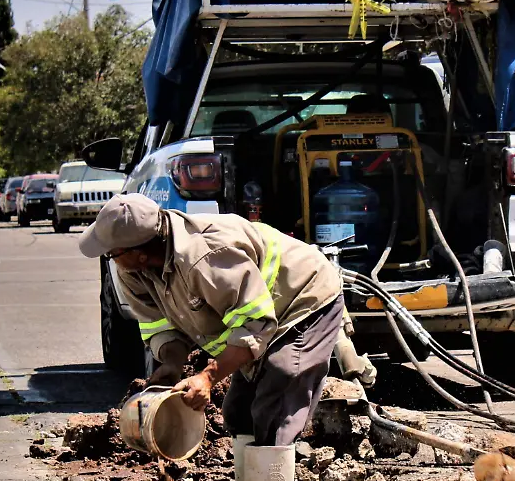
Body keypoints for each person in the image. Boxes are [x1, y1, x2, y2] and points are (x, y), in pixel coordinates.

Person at [78, 193, 344, 464]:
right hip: (258, 314)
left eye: (112, 253)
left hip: (302, 297)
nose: (110, 259)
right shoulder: (133, 271)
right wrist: (172, 363)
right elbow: (158, 323)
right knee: (239, 413)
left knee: (277, 395)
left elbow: (254, 325)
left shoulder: (205, 257)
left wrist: (206, 378)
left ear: (140, 254)